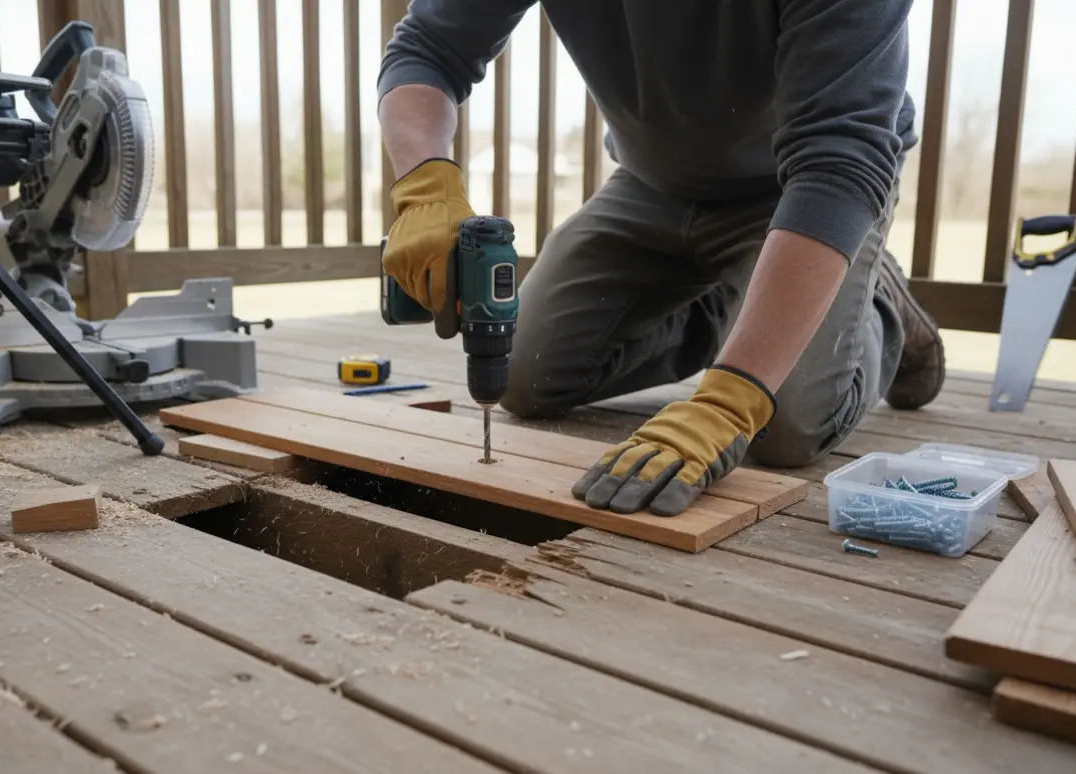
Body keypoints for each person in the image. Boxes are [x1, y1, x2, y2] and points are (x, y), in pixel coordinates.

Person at [376, 0, 943, 518]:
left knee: (786, 427)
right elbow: (427, 49)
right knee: (526, 377)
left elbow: (839, 163)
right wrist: (425, 188)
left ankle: (877, 301)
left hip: (803, 194)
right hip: (653, 184)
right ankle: (741, 300)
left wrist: (728, 402)